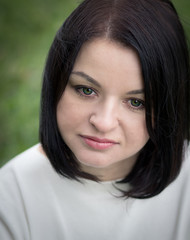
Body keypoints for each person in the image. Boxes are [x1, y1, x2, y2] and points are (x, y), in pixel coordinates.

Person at [0, 0, 190, 239]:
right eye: (86, 90)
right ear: (56, 80)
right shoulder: (11, 195)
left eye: (136, 102)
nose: (103, 122)